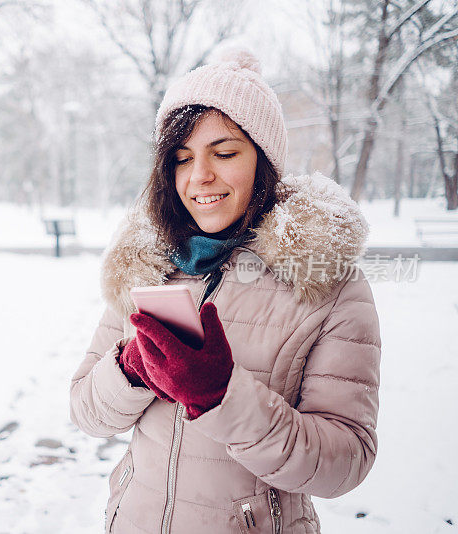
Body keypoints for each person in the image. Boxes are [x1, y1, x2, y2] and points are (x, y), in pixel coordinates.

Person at [69, 49, 381, 534]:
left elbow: (346, 461)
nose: (199, 177)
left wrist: (221, 395)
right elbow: (86, 411)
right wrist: (132, 368)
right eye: (181, 158)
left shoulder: (328, 283)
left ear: (264, 160)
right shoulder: (146, 267)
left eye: (225, 152)